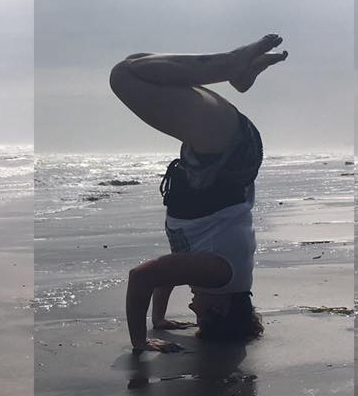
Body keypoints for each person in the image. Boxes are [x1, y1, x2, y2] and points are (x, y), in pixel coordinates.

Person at [109, 35, 287, 353]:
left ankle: (238, 77)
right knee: (123, 75)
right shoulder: (217, 273)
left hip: (224, 155)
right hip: (223, 157)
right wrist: (140, 342)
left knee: (139, 61)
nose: (192, 310)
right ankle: (231, 65)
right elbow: (142, 278)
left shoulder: (217, 275)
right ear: (220, 309)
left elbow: (172, 267)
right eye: (202, 316)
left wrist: (159, 319)